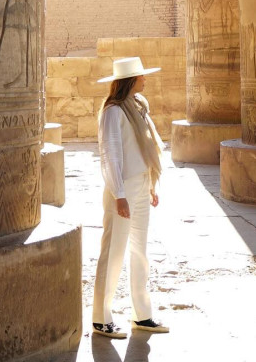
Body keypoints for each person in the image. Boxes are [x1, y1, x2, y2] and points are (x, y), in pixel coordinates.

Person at [92, 56, 169, 339]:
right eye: (141, 76)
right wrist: (119, 195)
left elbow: (145, 150)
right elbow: (110, 155)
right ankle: (101, 318)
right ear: (131, 81)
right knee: (113, 252)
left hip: (140, 185)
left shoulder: (138, 108)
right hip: (121, 189)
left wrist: (150, 186)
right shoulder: (113, 112)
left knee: (140, 252)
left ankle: (142, 314)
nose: (145, 80)